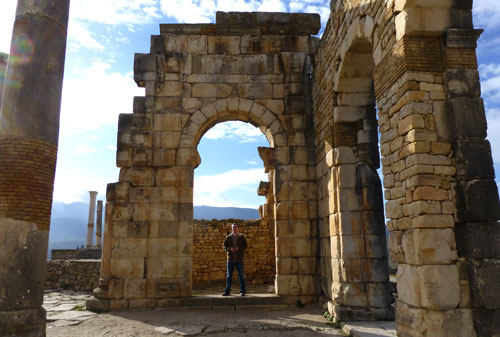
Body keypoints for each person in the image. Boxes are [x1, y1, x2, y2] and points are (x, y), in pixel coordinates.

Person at [222, 223, 247, 296]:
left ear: (238, 228)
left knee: (241, 276)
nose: (234, 229)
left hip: (239, 260)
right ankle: (227, 292)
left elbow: (245, 246)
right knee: (229, 276)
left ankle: (243, 291)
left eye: (235, 227)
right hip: (230, 260)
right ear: (231, 228)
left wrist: (239, 248)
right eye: (233, 228)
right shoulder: (228, 237)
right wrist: (229, 249)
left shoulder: (242, 237)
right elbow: (224, 246)